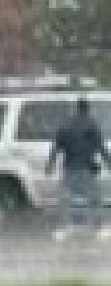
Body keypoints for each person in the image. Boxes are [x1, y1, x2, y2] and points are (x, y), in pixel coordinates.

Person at [46, 98, 111, 242]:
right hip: (87, 167)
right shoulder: (92, 124)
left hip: (70, 167)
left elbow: (56, 148)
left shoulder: (65, 125)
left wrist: (49, 166)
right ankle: (100, 228)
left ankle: (63, 229)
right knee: (94, 199)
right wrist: (109, 163)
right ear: (88, 109)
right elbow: (101, 147)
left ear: (76, 108)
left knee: (66, 199)